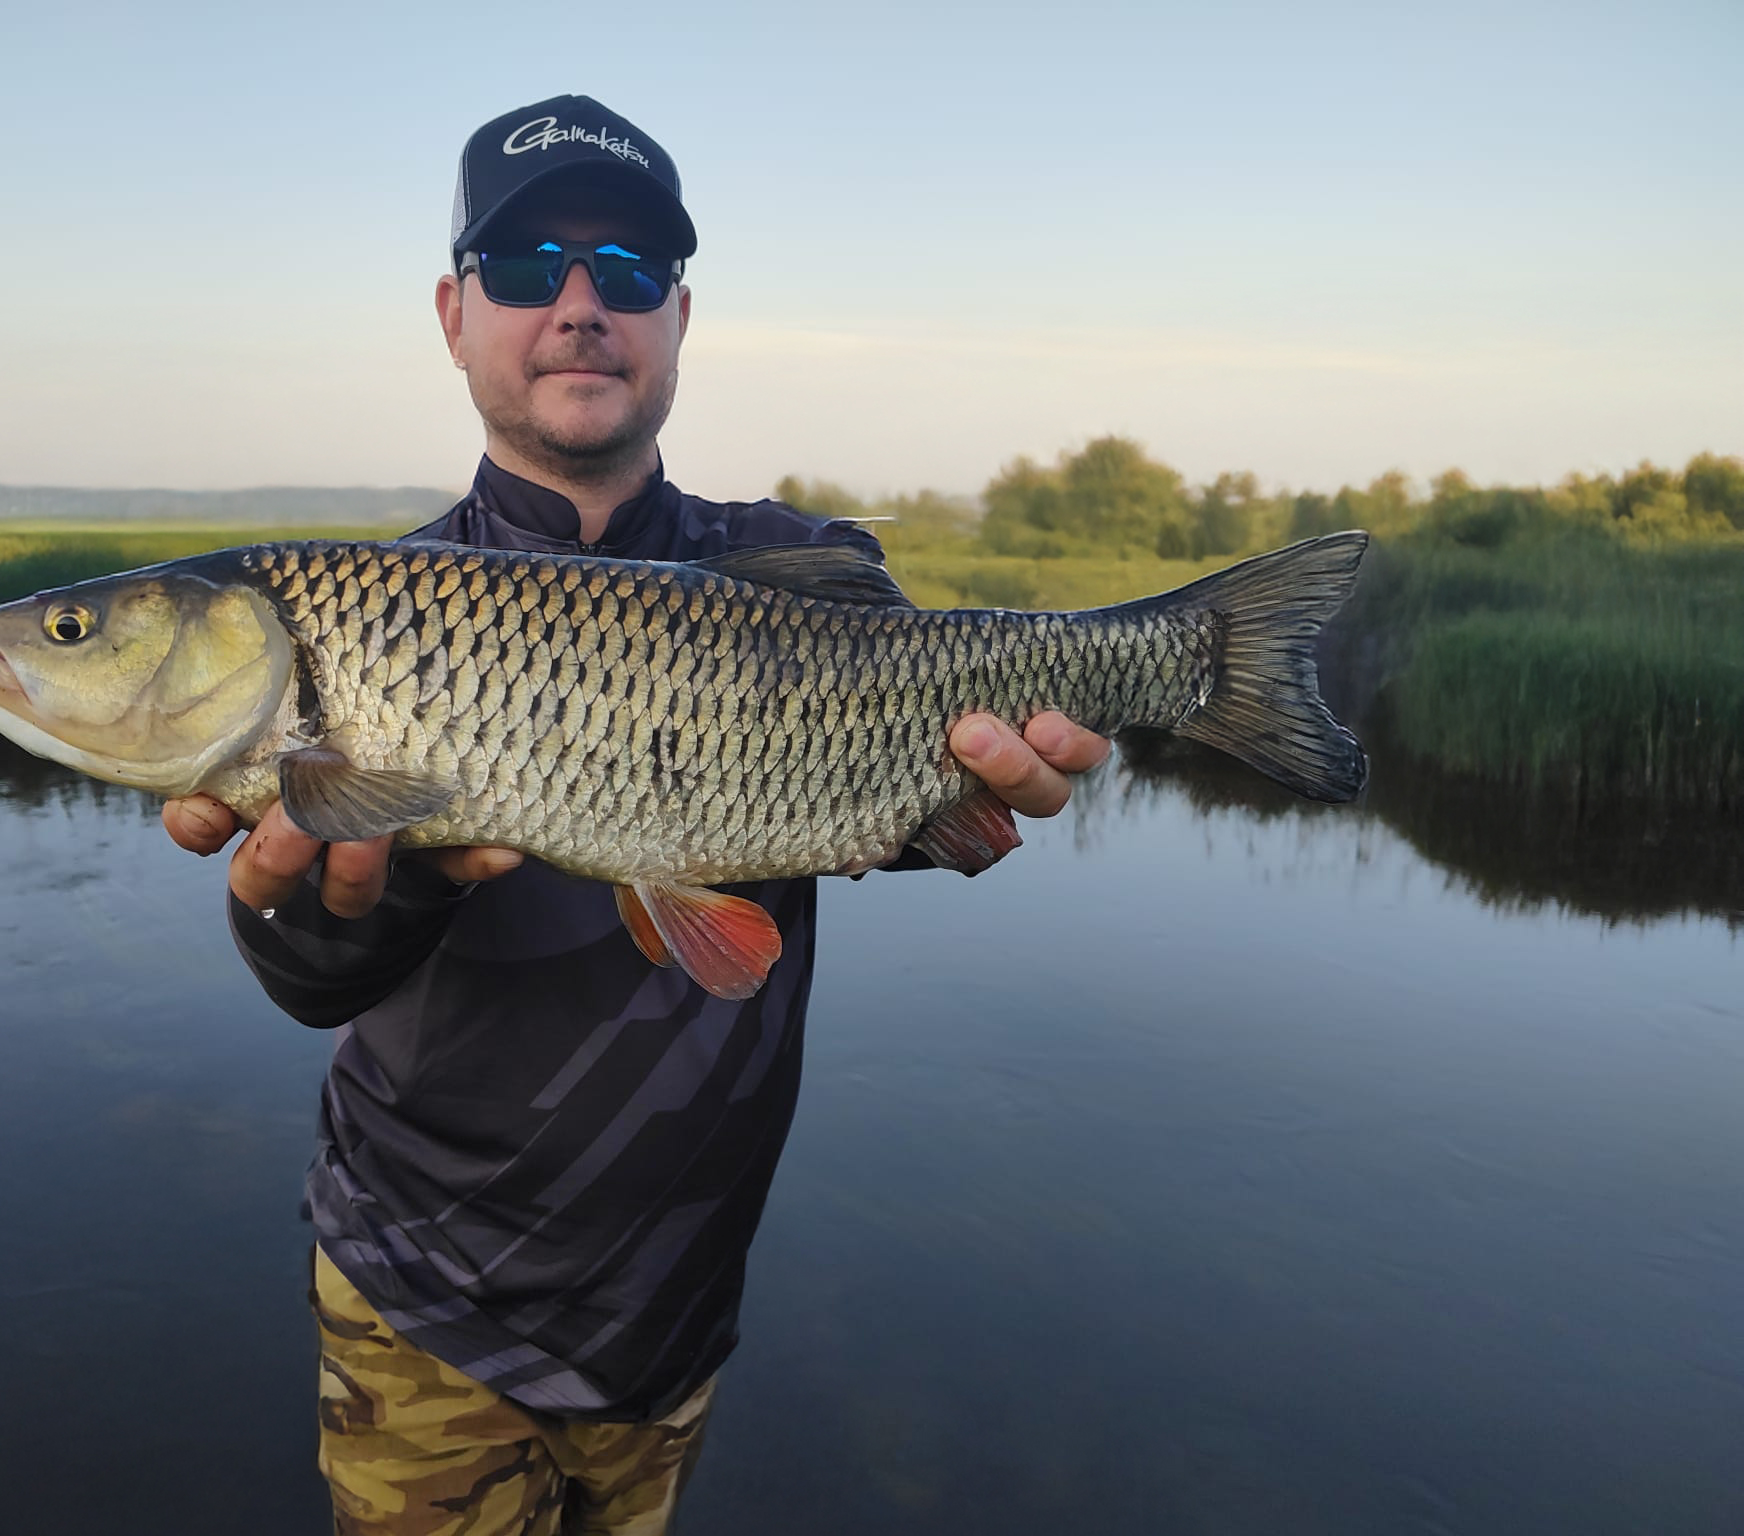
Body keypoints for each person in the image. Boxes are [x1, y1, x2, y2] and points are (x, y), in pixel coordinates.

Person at [164, 94, 1110, 1536]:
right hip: (427, 1293)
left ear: (680, 315)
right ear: (454, 311)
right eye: (532, 268)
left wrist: (958, 810)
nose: (582, 304)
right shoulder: (363, 609)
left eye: (630, 271)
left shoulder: (793, 568)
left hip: (679, 1296)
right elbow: (314, 979)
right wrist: (387, 890)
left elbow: (904, 817)